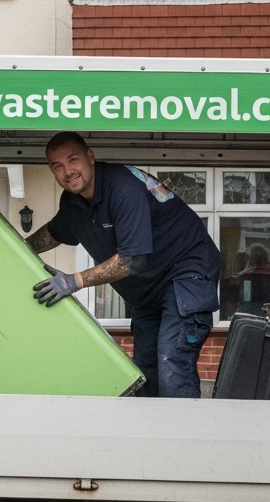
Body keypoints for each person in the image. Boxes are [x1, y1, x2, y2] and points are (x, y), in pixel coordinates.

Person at [26, 132, 221, 398]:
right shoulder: (72, 203)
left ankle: (184, 438)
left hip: (185, 275)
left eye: (73, 160)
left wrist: (75, 281)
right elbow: (53, 233)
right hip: (147, 292)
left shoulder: (123, 189)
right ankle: (151, 437)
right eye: (57, 166)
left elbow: (132, 260)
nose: (67, 171)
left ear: (90, 157)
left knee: (171, 363)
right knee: (145, 371)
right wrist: (15, 248)